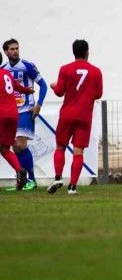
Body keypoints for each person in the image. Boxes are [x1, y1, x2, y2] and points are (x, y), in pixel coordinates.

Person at [47, 40, 103, 194]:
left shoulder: (65, 69)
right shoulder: (96, 71)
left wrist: (53, 86)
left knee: (60, 147)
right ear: (87, 52)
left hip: (67, 114)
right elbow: (98, 94)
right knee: (78, 152)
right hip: (84, 116)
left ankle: (58, 178)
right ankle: (72, 187)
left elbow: (59, 92)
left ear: (73, 52)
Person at [2, 39, 48, 191]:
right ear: (6, 52)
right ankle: (22, 181)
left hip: (26, 109)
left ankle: (32, 180)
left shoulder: (27, 66)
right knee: (15, 147)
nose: (15, 51)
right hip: (11, 111)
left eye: (17, 48)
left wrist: (39, 104)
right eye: (12, 49)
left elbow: (43, 85)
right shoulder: (3, 68)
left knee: (20, 145)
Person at [0, 52, 33, 190]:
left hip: (1, 113)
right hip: (13, 113)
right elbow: (17, 87)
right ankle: (20, 171)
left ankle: (20, 171)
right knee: (5, 149)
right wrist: (28, 91)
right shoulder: (6, 73)